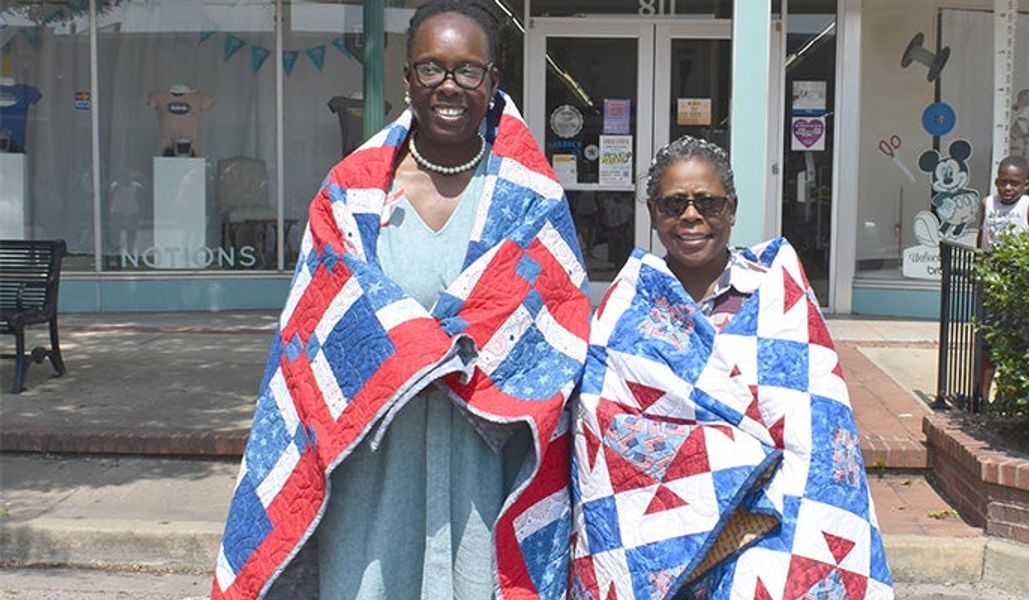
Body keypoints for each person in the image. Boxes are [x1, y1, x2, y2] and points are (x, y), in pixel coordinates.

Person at [210, 2, 590, 599]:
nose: (449, 86)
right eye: (431, 68)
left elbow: (559, 322)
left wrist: (448, 351)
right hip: (375, 454)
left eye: (468, 71)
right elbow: (317, 329)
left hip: (481, 460)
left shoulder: (529, 198)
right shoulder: (352, 193)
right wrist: (425, 349)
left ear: (492, 84)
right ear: (406, 78)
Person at [570, 137, 894, 599]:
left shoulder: (777, 298)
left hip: (768, 524)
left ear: (733, 208)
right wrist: (720, 459)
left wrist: (743, 473)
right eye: (672, 204)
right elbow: (605, 426)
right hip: (662, 535)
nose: (691, 216)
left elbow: (816, 422)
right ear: (651, 212)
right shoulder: (628, 307)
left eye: (708, 202)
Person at [977, 155, 1029, 401]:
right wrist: (979, 268)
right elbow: (981, 240)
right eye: (1002, 182)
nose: (1007, 188)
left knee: (1024, 343)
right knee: (989, 344)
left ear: (1025, 185)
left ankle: (1011, 397)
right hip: (993, 287)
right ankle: (981, 397)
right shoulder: (987, 203)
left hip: (1021, 288)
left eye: (1014, 183)